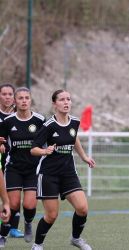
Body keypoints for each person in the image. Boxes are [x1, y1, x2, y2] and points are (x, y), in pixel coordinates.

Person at [30, 89, 95, 250]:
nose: (66, 102)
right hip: (49, 175)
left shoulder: (74, 122)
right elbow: (33, 149)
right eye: (62, 100)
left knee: (82, 208)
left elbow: (74, 138)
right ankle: (37, 244)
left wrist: (84, 156)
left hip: (68, 173)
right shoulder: (48, 125)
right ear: (54, 104)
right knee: (51, 215)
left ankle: (76, 238)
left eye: (68, 99)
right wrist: (45, 151)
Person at [0, 87, 45, 247]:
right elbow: (2, 140)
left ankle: (27, 223)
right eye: (20, 98)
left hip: (33, 168)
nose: (24, 100)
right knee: (12, 204)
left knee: (29, 205)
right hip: (13, 168)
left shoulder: (40, 120)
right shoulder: (8, 121)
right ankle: (3, 235)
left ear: (30, 100)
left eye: (27, 97)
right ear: (15, 101)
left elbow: (48, 139)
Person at [0, 83, 24, 238]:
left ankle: (12, 227)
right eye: (4, 94)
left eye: (10, 94)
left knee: (13, 196)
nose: (7, 97)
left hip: (13, 162)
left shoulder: (20, 114)